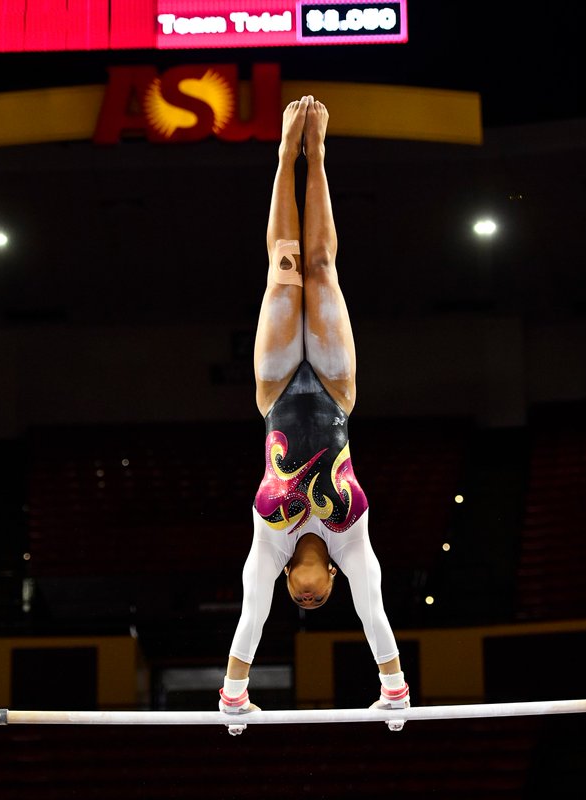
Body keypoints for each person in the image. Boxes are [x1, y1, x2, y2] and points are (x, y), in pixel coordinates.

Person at [218, 95, 409, 715]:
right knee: (321, 268)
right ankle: (316, 155)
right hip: (334, 391)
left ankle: (283, 153)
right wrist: (394, 691)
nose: (305, 602)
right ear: (330, 580)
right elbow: (374, 612)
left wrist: (235, 695)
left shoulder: (268, 548)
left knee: (283, 270)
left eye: (297, 603)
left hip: (274, 395)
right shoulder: (351, 539)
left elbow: (252, 615)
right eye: (319, 600)